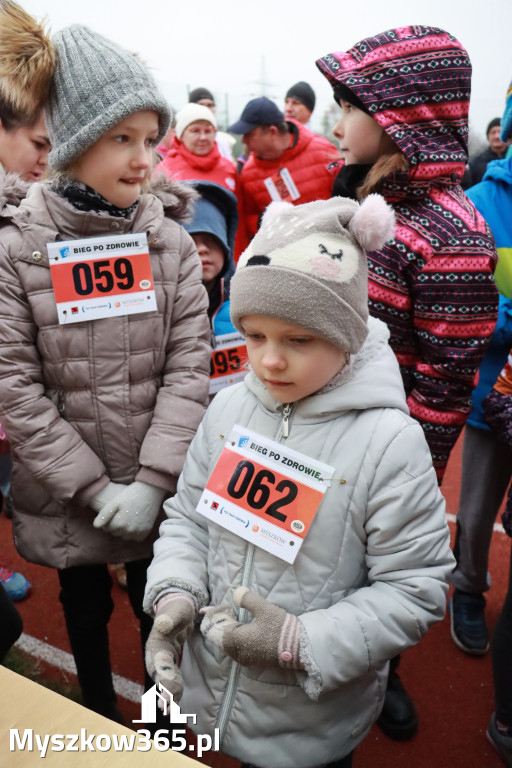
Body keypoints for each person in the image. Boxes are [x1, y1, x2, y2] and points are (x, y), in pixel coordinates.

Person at [143, 194, 455, 768]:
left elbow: (417, 587)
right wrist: (174, 593)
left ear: (348, 334)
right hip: (211, 691)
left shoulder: (389, 442)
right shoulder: (228, 409)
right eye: (255, 337)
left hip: (312, 722)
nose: (269, 362)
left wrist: (301, 643)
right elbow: (188, 518)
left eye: (299, 340)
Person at [0, 6, 210, 724]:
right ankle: (92, 720)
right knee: (83, 612)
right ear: (75, 142)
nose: (143, 159)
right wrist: (93, 488)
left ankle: (160, 721)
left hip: (160, 490)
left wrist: (152, 482)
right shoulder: (17, 250)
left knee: (162, 619)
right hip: (68, 495)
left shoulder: (174, 248)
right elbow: (15, 387)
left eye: (150, 138)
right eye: (122, 138)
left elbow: (190, 369)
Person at [316, 24, 499, 740]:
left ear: (401, 117)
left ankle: (377, 676)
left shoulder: (454, 233)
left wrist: (404, 477)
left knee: (370, 574)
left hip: (383, 455)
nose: (337, 125)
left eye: (349, 108)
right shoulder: (352, 195)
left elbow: (447, 381)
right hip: (320, 427)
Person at [449, 81, 512, 657]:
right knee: (476, 511)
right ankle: (467, 587)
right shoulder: (483, 204)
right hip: (493, 396)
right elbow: (466, 308)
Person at [228, 96, 339, 257]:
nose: (243, 140)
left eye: (249, 134)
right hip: (285, 262)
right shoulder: (248, 174)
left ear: (272, 132)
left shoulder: (323, 153)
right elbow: (248, 222)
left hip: (329, 254)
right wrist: (266, 222)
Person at [153, 103, 237, 194]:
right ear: (181, 135)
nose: (203, 137)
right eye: (195, 131)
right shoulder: (165, 171)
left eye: (208, 131)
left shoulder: (229, 168)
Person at [188, 86, 236, 162]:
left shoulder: (222, 142)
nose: (206, 109)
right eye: (201, 105)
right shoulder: (183, 140)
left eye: (210, 105)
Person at [466, 117, 508, 188]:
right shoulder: (475, 163)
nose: (497, 136)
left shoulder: (510, 160)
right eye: (493, 132)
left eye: (500, 132)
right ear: (488, 136)